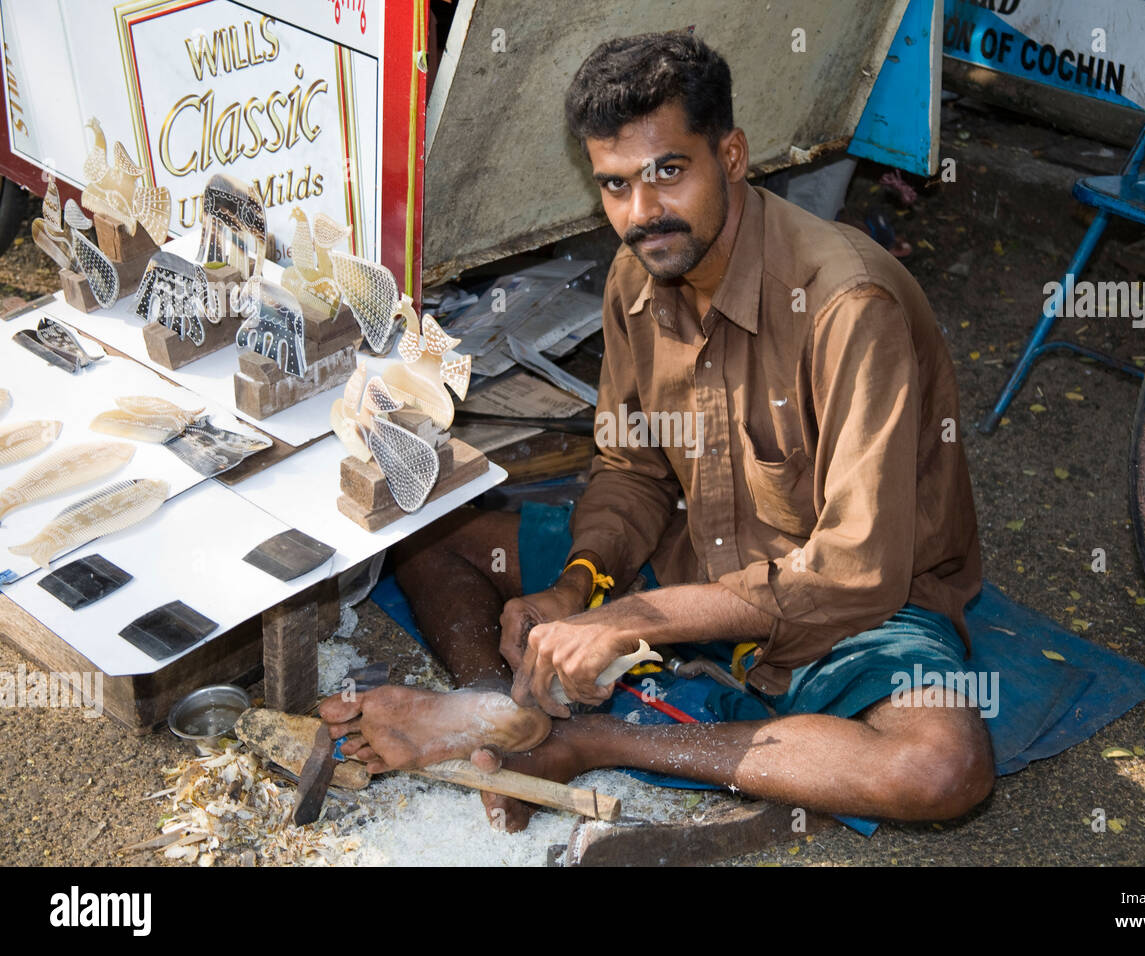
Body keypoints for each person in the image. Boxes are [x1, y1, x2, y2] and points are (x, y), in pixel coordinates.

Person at [322, 31, 992, 832]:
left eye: (668, 172)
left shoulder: (847, 306)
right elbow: (633, 471)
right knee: (430, 535)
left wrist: (631, 621)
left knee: (940, 767)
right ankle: (502, 712)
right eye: (615, 184)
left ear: (732, 156)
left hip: (849, 606)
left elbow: (856, 571)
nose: (641, 213)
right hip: (696, 556)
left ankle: (594, 740)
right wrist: (577, 589)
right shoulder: (638, 273)